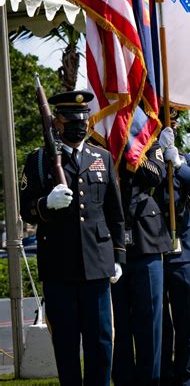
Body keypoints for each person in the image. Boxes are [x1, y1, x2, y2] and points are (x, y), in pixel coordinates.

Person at [19, 90, 125, 386]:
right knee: (66, 344)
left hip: (98, 267)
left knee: (101, 342)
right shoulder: (39, 161)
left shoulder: (101, 157)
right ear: (57, 121)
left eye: (82, 117)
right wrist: (45, 204)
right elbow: (26, 209)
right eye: (70, 118)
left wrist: (118, 257)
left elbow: (114, 214)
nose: (78, 123)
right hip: (60, 268)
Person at [157, 107, 190, 386]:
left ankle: (187, 378)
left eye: (175, 121)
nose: (173, 126)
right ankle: (165, 376)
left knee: (187, 320)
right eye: (167, 121)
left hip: (187, 248)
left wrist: (178, 165)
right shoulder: (142, 159)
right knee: (160, 324)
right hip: (153, 244)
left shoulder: (187, 159)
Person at [111, 140, 172, 386]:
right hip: (111, 240)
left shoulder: (149, 141)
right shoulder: (100, 135)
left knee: (150, 323)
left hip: (146, 239)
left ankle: (151, 380)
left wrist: (128, 145)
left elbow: (155, 175)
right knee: (118, 323)